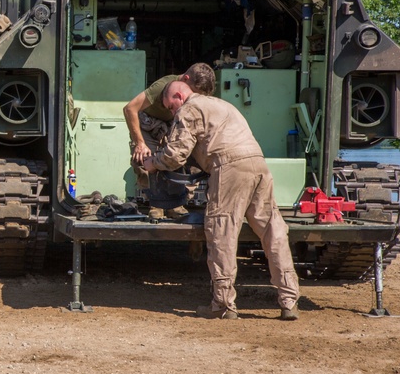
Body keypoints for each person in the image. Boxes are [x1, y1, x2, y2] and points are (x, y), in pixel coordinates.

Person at [143, 81, 300, 321]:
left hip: (229, 168)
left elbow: (176, 155)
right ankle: (289, 301)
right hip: (258, 164)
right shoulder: (222, 104)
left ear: (178, 95)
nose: (172, 112)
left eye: (170, 107)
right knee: (273, 231)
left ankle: (224, 305)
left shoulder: (190, 109)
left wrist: (153, 163)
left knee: (222, 232)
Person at [123, 62, 215, 216]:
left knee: (179, 160)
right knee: (146, 160)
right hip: (148, 124)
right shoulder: (161, 87)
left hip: (173, 123)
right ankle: (156, 204)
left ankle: (176, 204)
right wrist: (140, 143)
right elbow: (130, 108)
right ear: (185, 80)